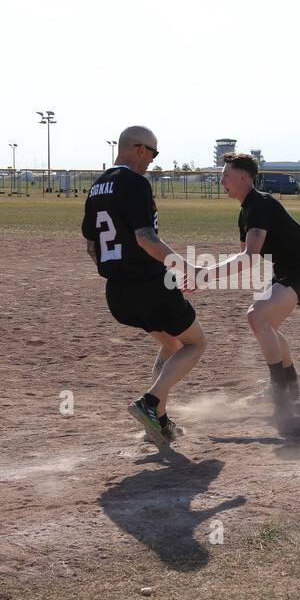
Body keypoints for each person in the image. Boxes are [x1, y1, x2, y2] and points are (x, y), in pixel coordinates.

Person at [81, 126, 205, 445]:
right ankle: (150, 404)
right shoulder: (134, 182)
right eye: (153, 153)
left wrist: (116, 272)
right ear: (139, 149)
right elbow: (144, 238)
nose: (152, 160)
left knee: (171, 345)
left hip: (118, 293)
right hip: (149, 285)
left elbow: (91, 245)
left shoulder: (96, 187)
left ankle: (158, 424)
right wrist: (186, 266)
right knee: (195, 343)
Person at [200, 152, 300, 408]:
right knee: (266, 325)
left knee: (256, 316)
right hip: (288, 270)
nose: (221, 180)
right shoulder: (246, 211)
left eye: (226, 175)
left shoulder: (260, 204)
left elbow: (248, 256)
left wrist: (205, 274)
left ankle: (279, 388)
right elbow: (246, 258)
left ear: (244, 177)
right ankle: (289, 382)